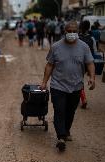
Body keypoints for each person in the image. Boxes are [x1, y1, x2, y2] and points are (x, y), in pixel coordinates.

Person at [40, 21, 95, 152]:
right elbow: (49, 65)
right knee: (59, 110)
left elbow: (90, 63)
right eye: (69, 31)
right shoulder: (56, 46)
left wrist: (92, 78)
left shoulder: (84, 47)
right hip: (58, 85)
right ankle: (61, 137)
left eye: (74, 31)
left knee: (70, 111)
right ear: (65, 32)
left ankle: (67, 130)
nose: (71, 33)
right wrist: (44, 82)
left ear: (78, 32)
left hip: (76, 86)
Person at [79, 20, 98, 109]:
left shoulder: (77, 38)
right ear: (88, 28)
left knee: (78, 80)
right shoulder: (92, 38)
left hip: (79, 62)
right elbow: (95, 51)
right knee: (90, 75)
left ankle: (83, 99)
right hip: (89, 62)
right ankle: (92, 80)